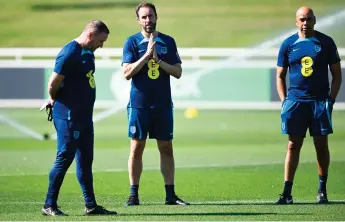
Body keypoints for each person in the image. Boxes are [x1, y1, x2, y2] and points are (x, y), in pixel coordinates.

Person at [41, 20, 117, 216]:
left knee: (85, 161)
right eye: (101, 41)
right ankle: (49, 205)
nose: (102, 45)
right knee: (64, 158)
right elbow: (53, 83)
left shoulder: (88, 52)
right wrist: (54, 99)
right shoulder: (69, 53)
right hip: (68, 116)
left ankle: (90, 205)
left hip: (84, 117)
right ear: (91, 35)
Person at [121, 2, 190, 206]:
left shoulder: (168, 41)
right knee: (136, 148)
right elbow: (126, 73)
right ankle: (133, 195)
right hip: (139, 105)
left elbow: (177, 72)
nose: (147, 20)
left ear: (156, 16)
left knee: (166, 148)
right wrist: (146, 55)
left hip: (162, 105)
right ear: (138, 20)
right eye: (143, 17)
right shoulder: (131, 42)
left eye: (150, 16)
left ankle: (170, 195)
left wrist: (158, 60)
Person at [276, 6, 342, 204]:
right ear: (296, 22)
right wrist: (284, 102)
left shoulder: (326, 43)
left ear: (314, 20)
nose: (305, 23)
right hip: (296, 103)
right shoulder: (288, 44)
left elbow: (337, 75)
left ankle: (322, 191)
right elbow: (280, 75)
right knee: (293, 145)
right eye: (302, 19)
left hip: (319, 103)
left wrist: (330, 100)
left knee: (321, 146)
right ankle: (287, 193)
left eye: (309, 19)